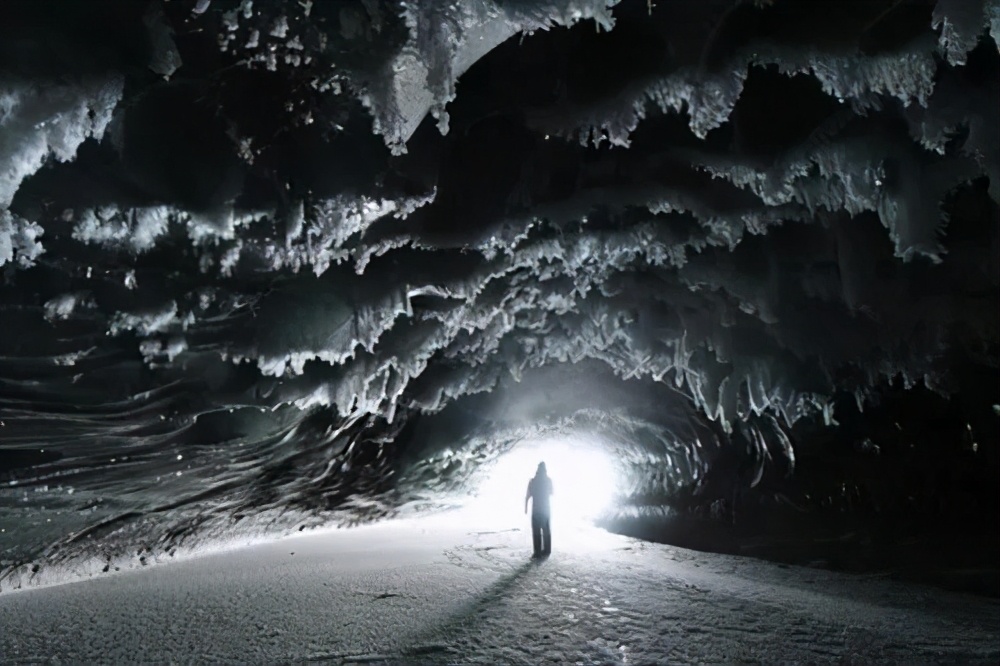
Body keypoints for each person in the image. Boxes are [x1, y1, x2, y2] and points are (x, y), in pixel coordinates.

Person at [524, 461, 553, 557]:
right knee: (546, 530)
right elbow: (552, 492)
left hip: (536, 510)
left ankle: (537, 551)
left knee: (536, 531)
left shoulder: (532, 481)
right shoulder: (548, 480)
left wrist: (526, 507)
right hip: (546, 509)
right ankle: (547, 550)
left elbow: (528, 495)